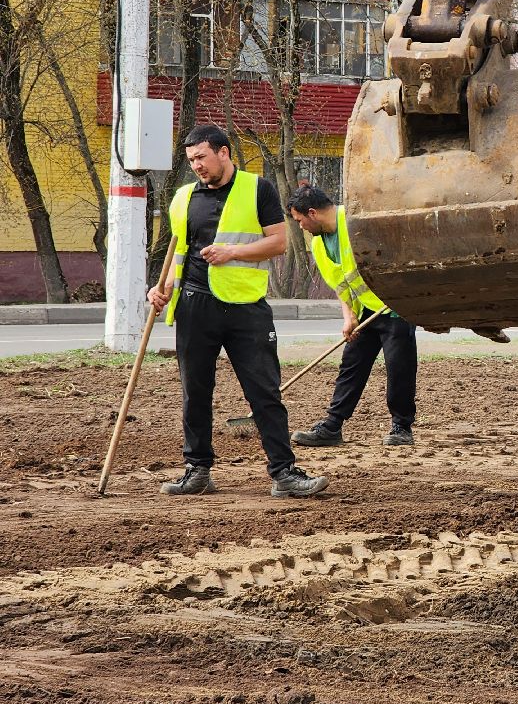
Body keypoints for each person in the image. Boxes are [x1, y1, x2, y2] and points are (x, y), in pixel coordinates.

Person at [147, 125, 330, 498]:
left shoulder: (257, 188)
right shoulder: (182, 198)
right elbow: (179, 254)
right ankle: (197, 471)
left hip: (246, 308)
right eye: (191, 160)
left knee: (264, 392)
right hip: (195, 306)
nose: (196, 165)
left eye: (202, 157)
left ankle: (284, 473)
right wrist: (162, 288)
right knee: (195, 392)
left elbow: (278, 243)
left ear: (223, 152)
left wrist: (232, 252)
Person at [286, 185, 418, 448]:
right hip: (364, 311)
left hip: (393, 308)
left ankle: (402, 427)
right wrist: (349, 317)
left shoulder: (358, 222)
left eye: (300, 220)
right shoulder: (319, 243)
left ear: (312, 213)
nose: (300, 227)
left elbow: (397, 254)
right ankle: (332, 426)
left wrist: (399, 294)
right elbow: (341, 284)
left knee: (399, 368)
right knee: (351, 366)